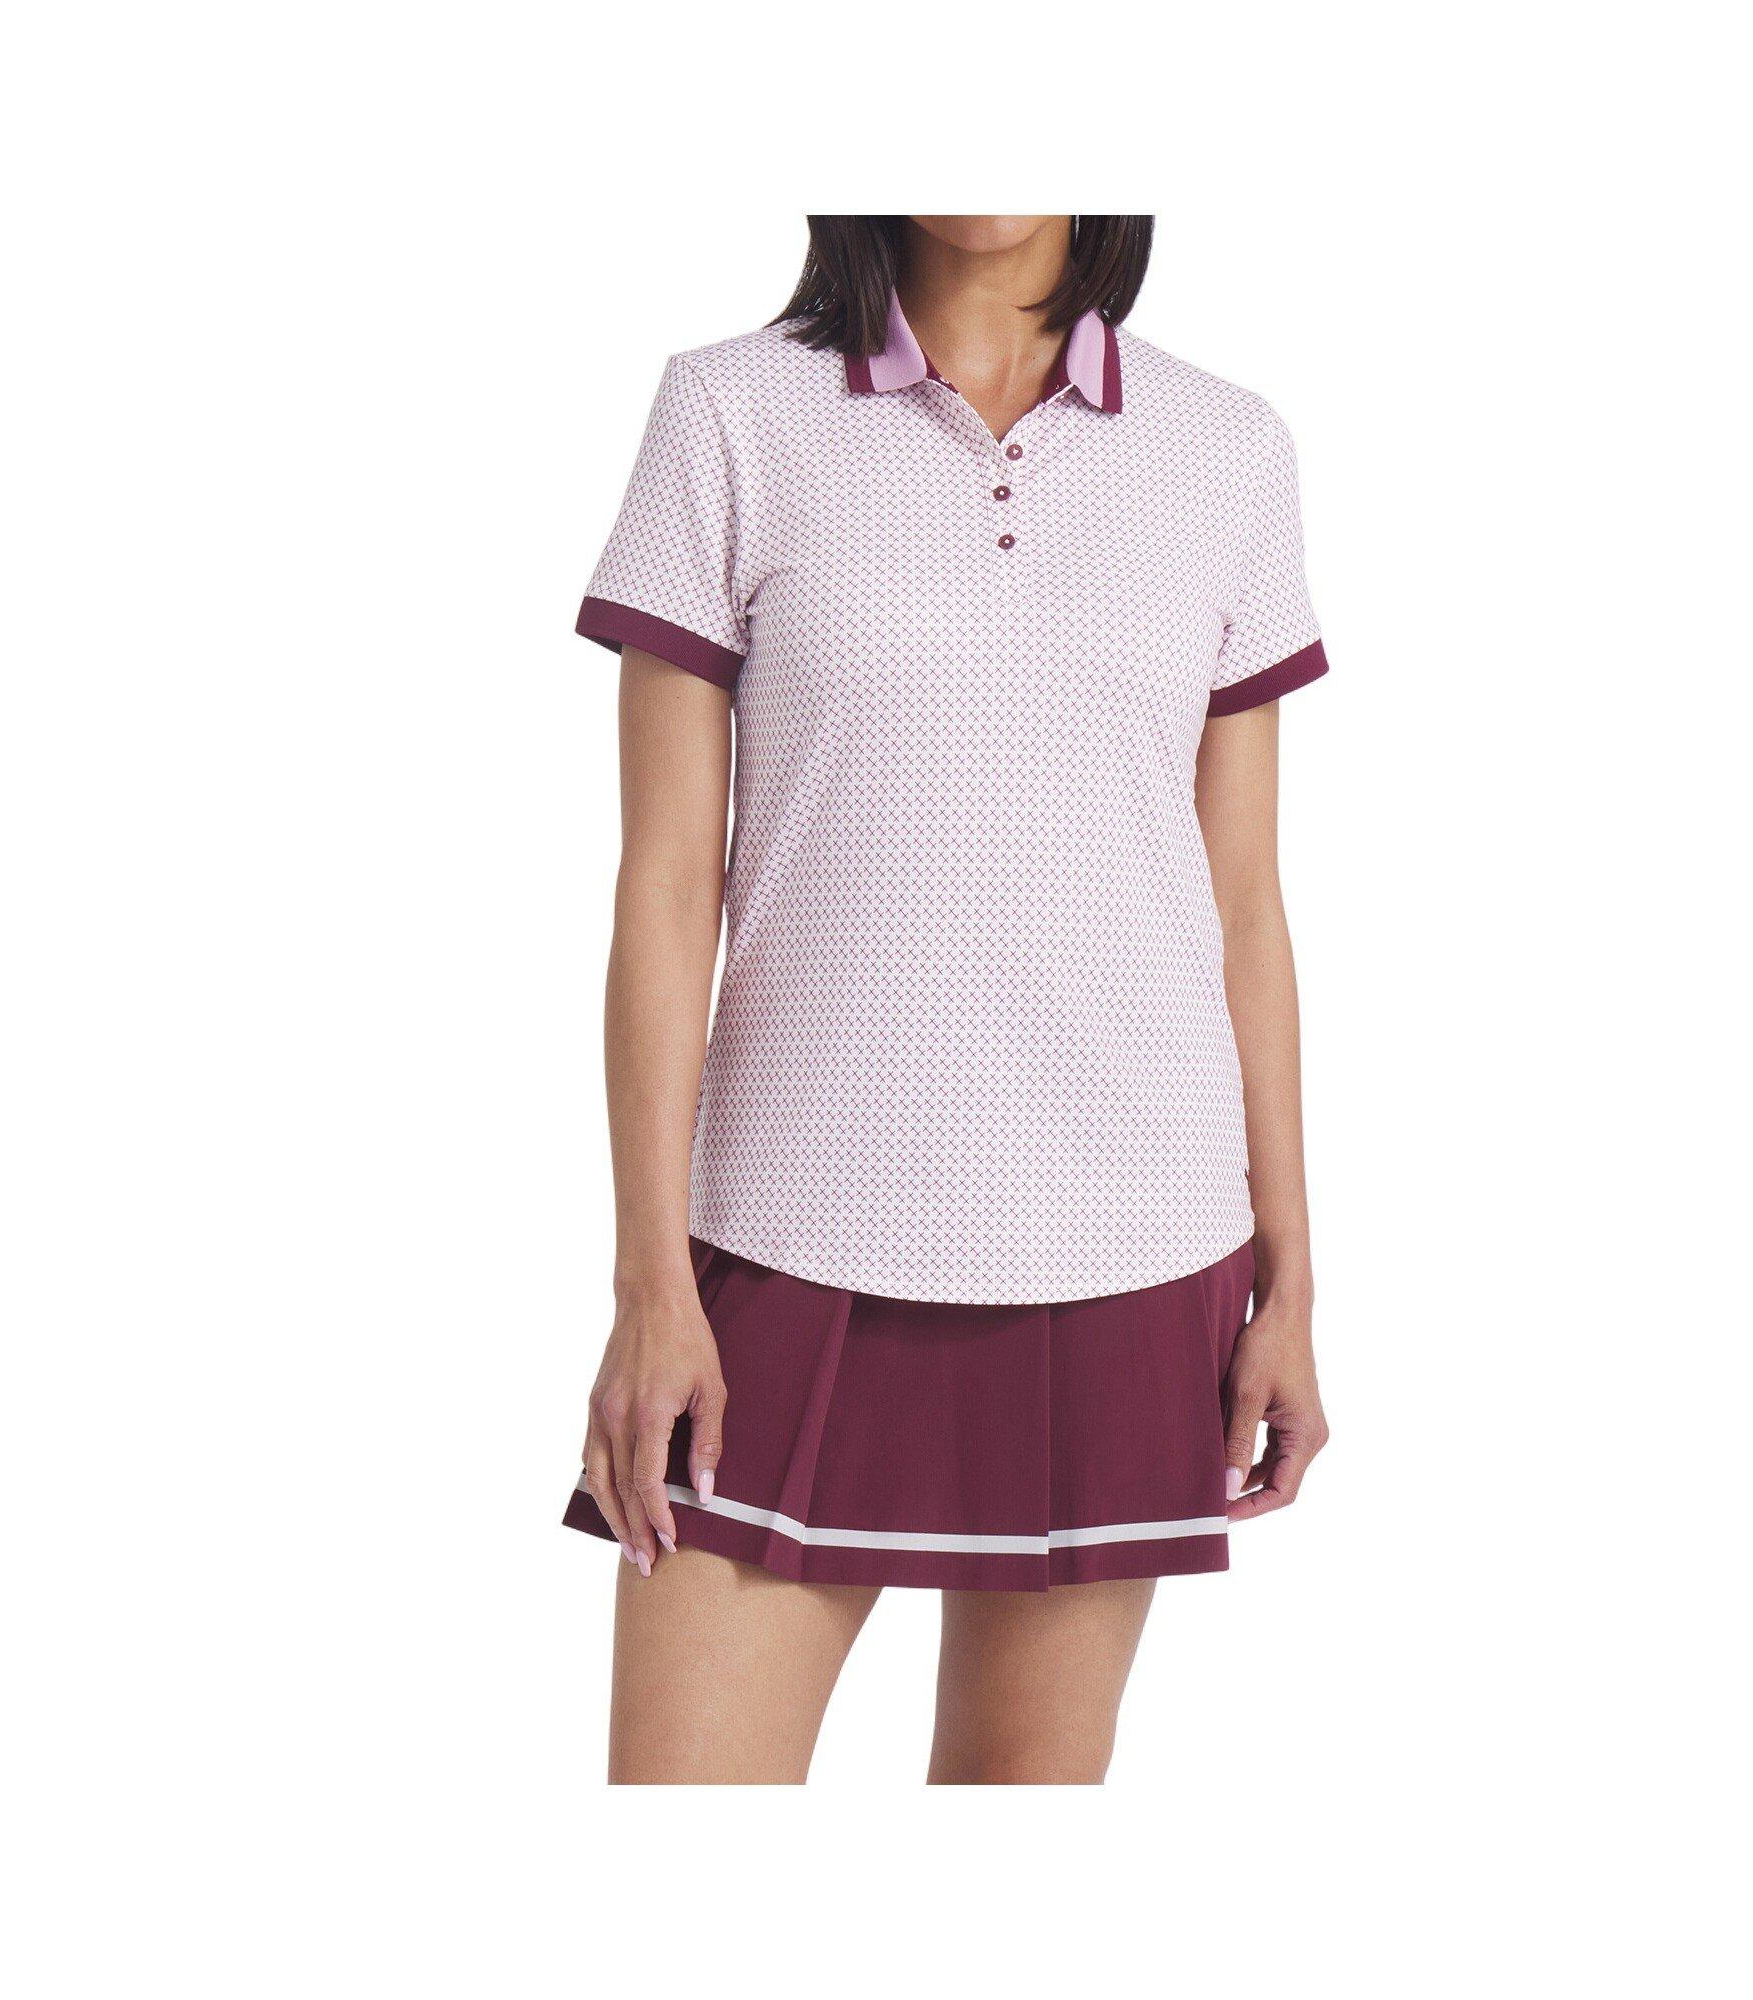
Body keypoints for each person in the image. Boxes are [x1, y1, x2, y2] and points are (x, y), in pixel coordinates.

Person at [566, 215, 1331, 1783]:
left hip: (1132, 1246)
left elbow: (1245, 906)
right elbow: (665, 885)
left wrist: (1296, 1284)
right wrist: (650, 1284)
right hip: (789, 1239)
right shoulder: (730, 414)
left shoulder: (1229, 449)